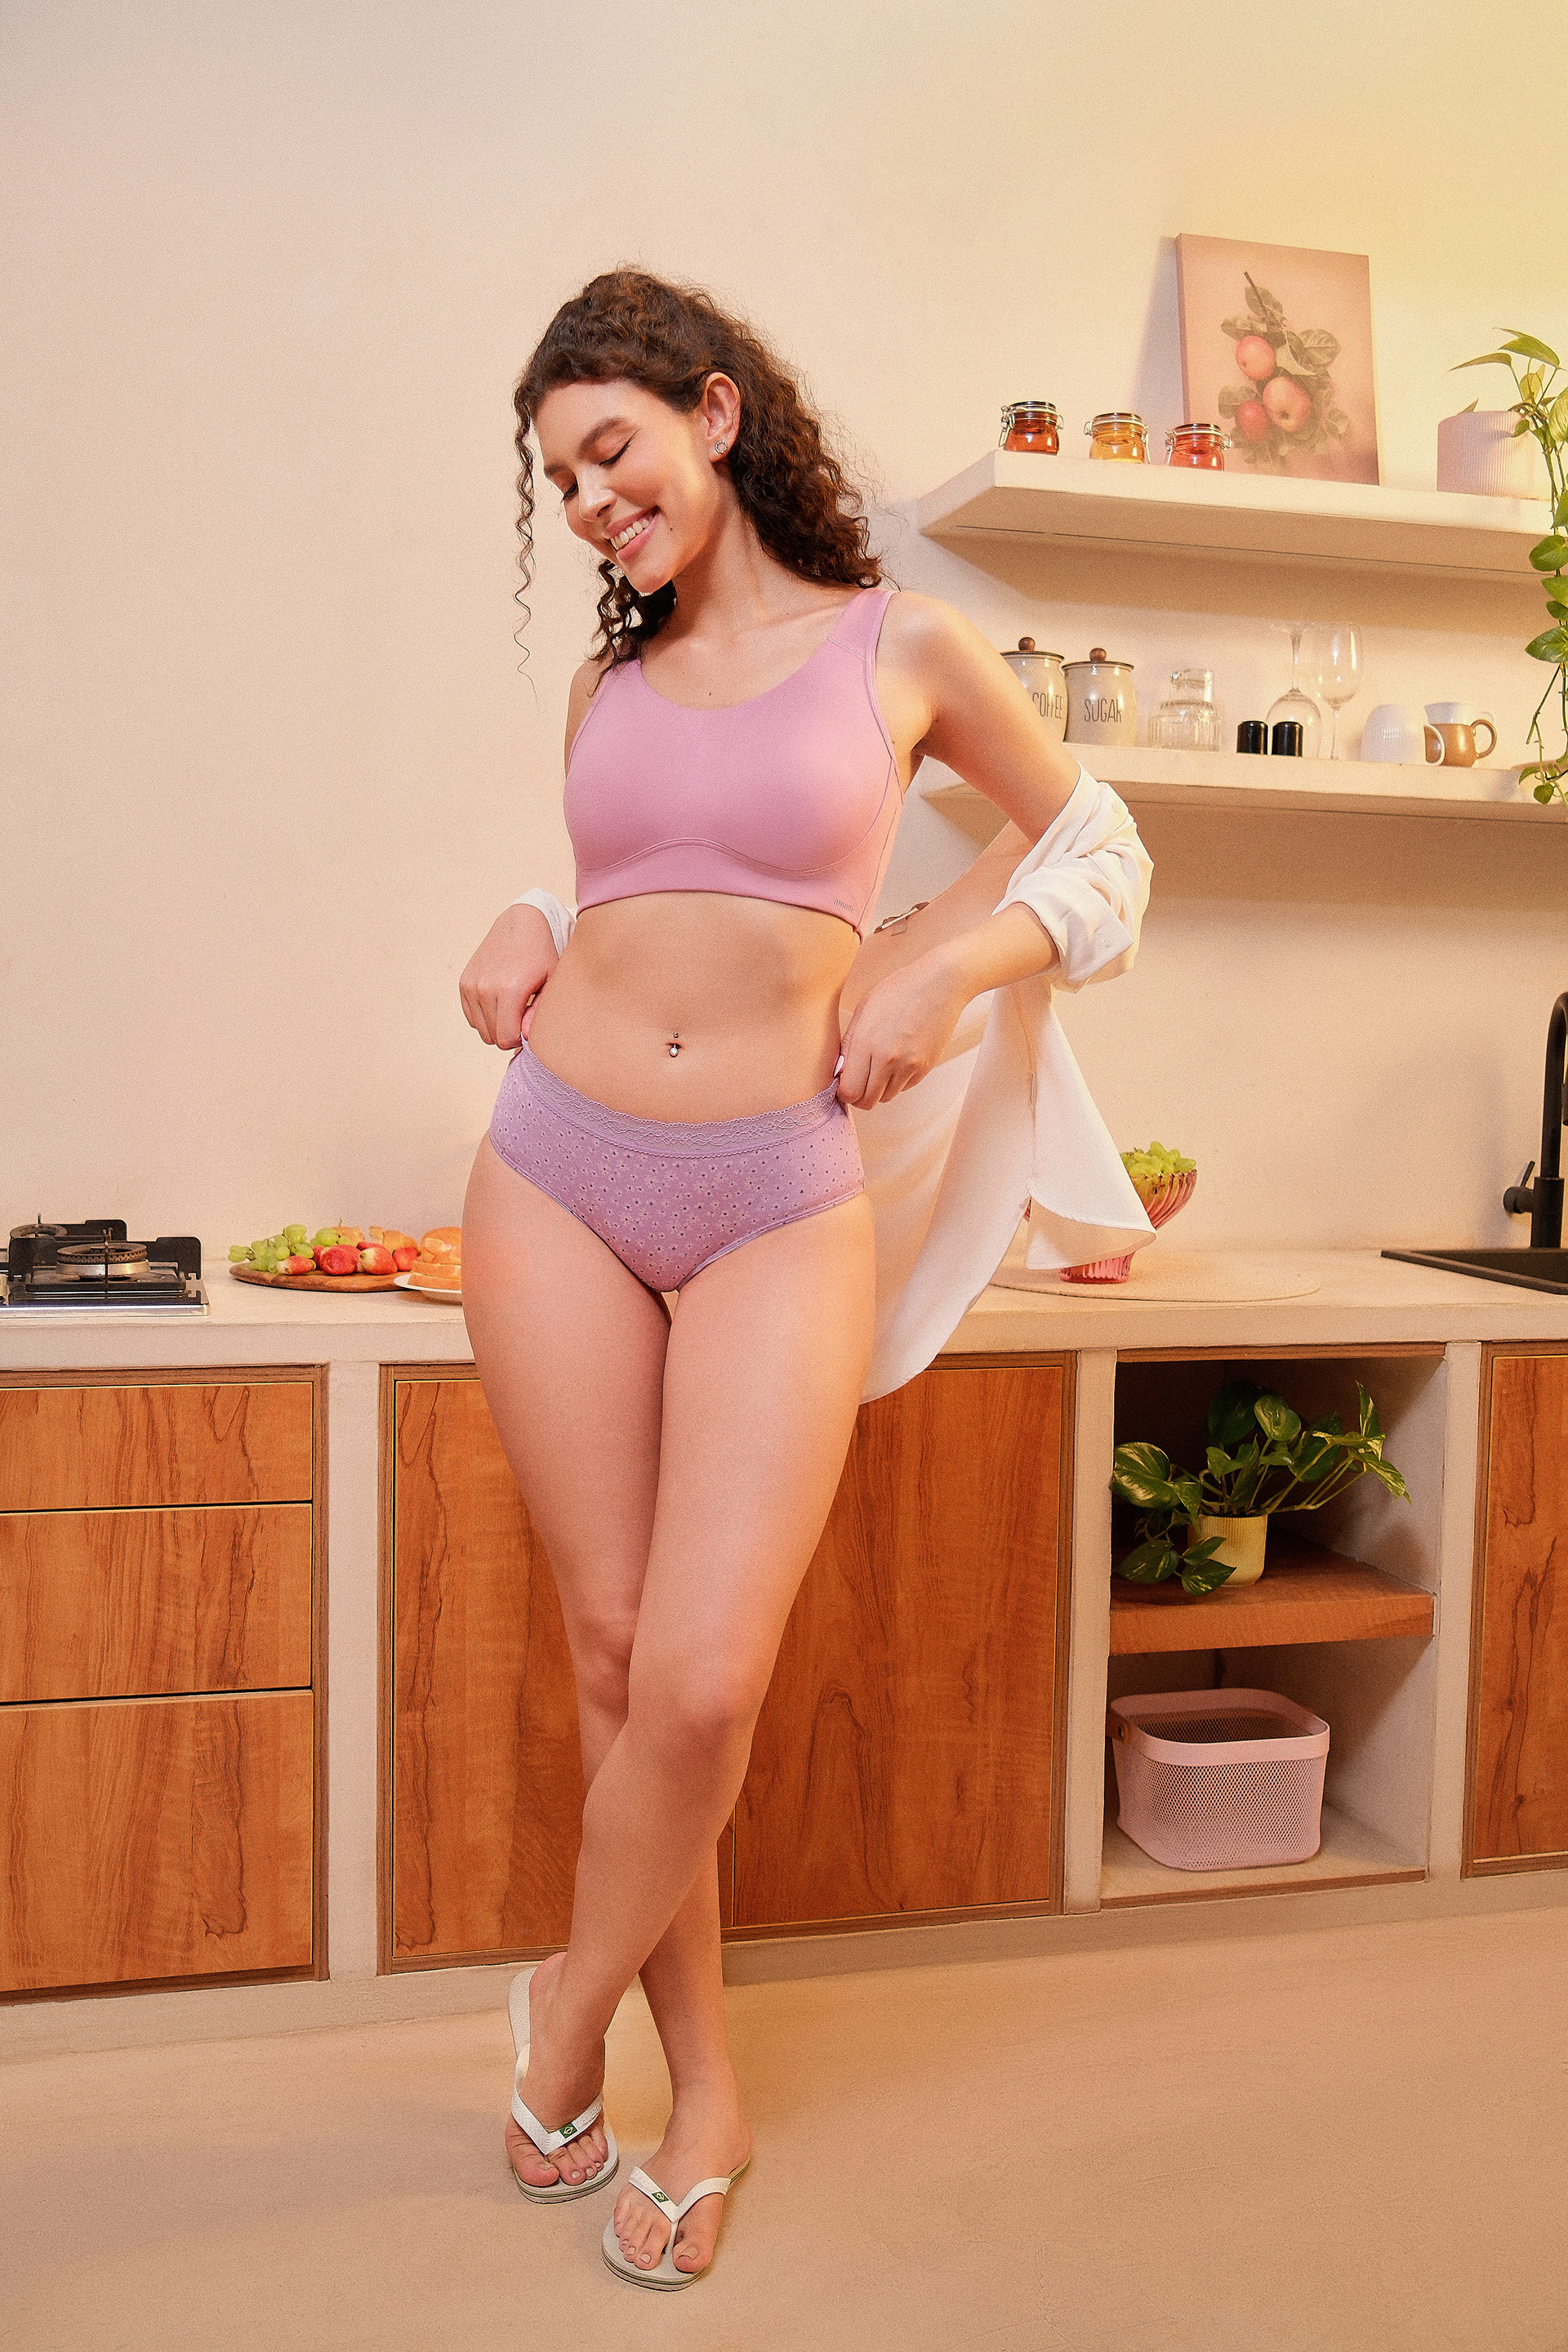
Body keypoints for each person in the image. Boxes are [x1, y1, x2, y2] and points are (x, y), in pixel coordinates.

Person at [458, 268, 1150, 2289]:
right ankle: (706, 2097)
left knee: (703, 1680)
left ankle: (562, 2014)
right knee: (612, 1654)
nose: (592, 501)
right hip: (556, 1171)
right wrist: (521, 915)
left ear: (714, 414)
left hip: (774, 1186)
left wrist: (948, 963)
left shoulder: (899, 643)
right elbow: (634, 880)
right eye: (561, 482)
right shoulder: (607, 689)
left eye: (612, 451)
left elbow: (1100, 845)